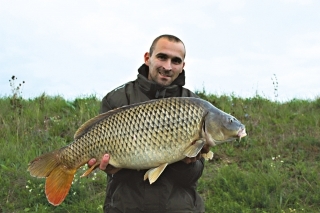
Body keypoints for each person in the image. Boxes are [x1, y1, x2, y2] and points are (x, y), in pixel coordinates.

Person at [88, 34, 209, 213]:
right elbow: (109, 166)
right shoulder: (118, 98)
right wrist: (111, 168)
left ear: (182, 66)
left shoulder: (194, 105)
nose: (167, 67)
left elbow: (192, 176)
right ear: (147, 58)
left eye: (175, 61)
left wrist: (188, 162)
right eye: (162, 57)